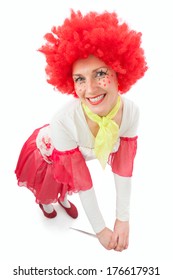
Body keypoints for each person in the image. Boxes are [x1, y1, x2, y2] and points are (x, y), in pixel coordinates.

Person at [15, 10, 147, 251]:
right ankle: (47, 204)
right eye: (80, 79)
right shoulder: (63, 121)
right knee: (51, 188)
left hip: (72, 155)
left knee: (65, 188)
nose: (90, 89)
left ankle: (62, 199)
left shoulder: (131, 113)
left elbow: (124, 169)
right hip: (46, 156)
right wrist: (100, 229)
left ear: (120, 72)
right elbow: (83, 182)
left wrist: (122, 220)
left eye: (100, 74)